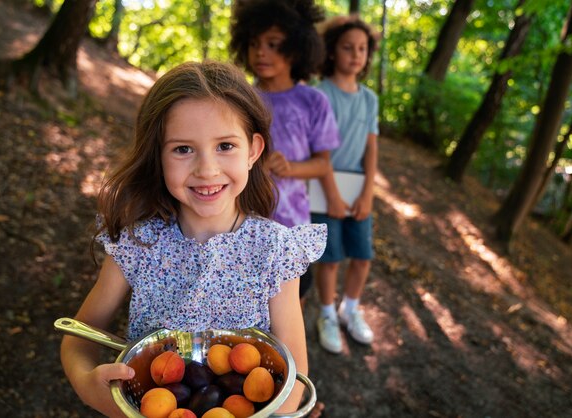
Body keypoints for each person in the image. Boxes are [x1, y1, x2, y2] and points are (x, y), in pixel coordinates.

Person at [59, 61, 326, 417]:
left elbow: (293, 380)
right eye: (183, 149)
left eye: (225, 146)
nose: (206, 169)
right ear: (159, 156)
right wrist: (86, 384)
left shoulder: (275, 251)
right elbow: (80, 336)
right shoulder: (139, 244)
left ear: (253, 150)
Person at [230, 0, 340, 306]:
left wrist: (290, 167)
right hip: (240, 221)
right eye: (253, 43)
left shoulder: (313, 101)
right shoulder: (239, 98)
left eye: (273, 44)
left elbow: (322, 165)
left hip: (291, 225)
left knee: (291, 302)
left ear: (296, 48)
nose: (261, 52)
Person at [312, 16, 379, 354]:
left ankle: (349, 309)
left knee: (362, 256)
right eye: (348, 47)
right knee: (331, 258)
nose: (355, 54)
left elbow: (371, 148)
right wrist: (333, 195)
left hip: (358, 190)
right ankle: (325, 314)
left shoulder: (369, 100)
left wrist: (368, 192)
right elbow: (319, 151)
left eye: (362, 49)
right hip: (324, 190)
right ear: (332, 52)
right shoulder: (320, 94)